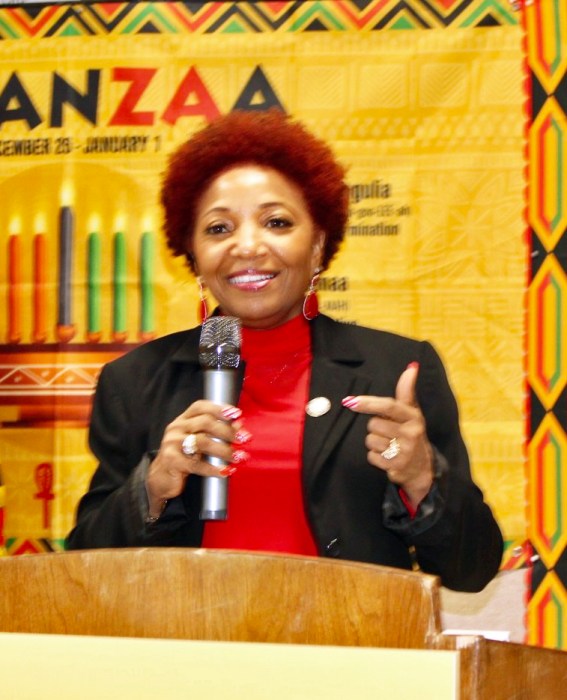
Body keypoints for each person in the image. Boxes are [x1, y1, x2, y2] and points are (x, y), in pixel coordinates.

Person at [67, 109, 503, 592]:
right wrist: (153, 486)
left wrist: (423, 478)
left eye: (276, 222)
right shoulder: (134, 381)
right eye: (218, 229)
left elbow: (473, 569)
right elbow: (85, 570)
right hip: (187, 655)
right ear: (192, 255)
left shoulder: (396, 371)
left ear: (318, 244)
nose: (247, 246)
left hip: (351, 654)